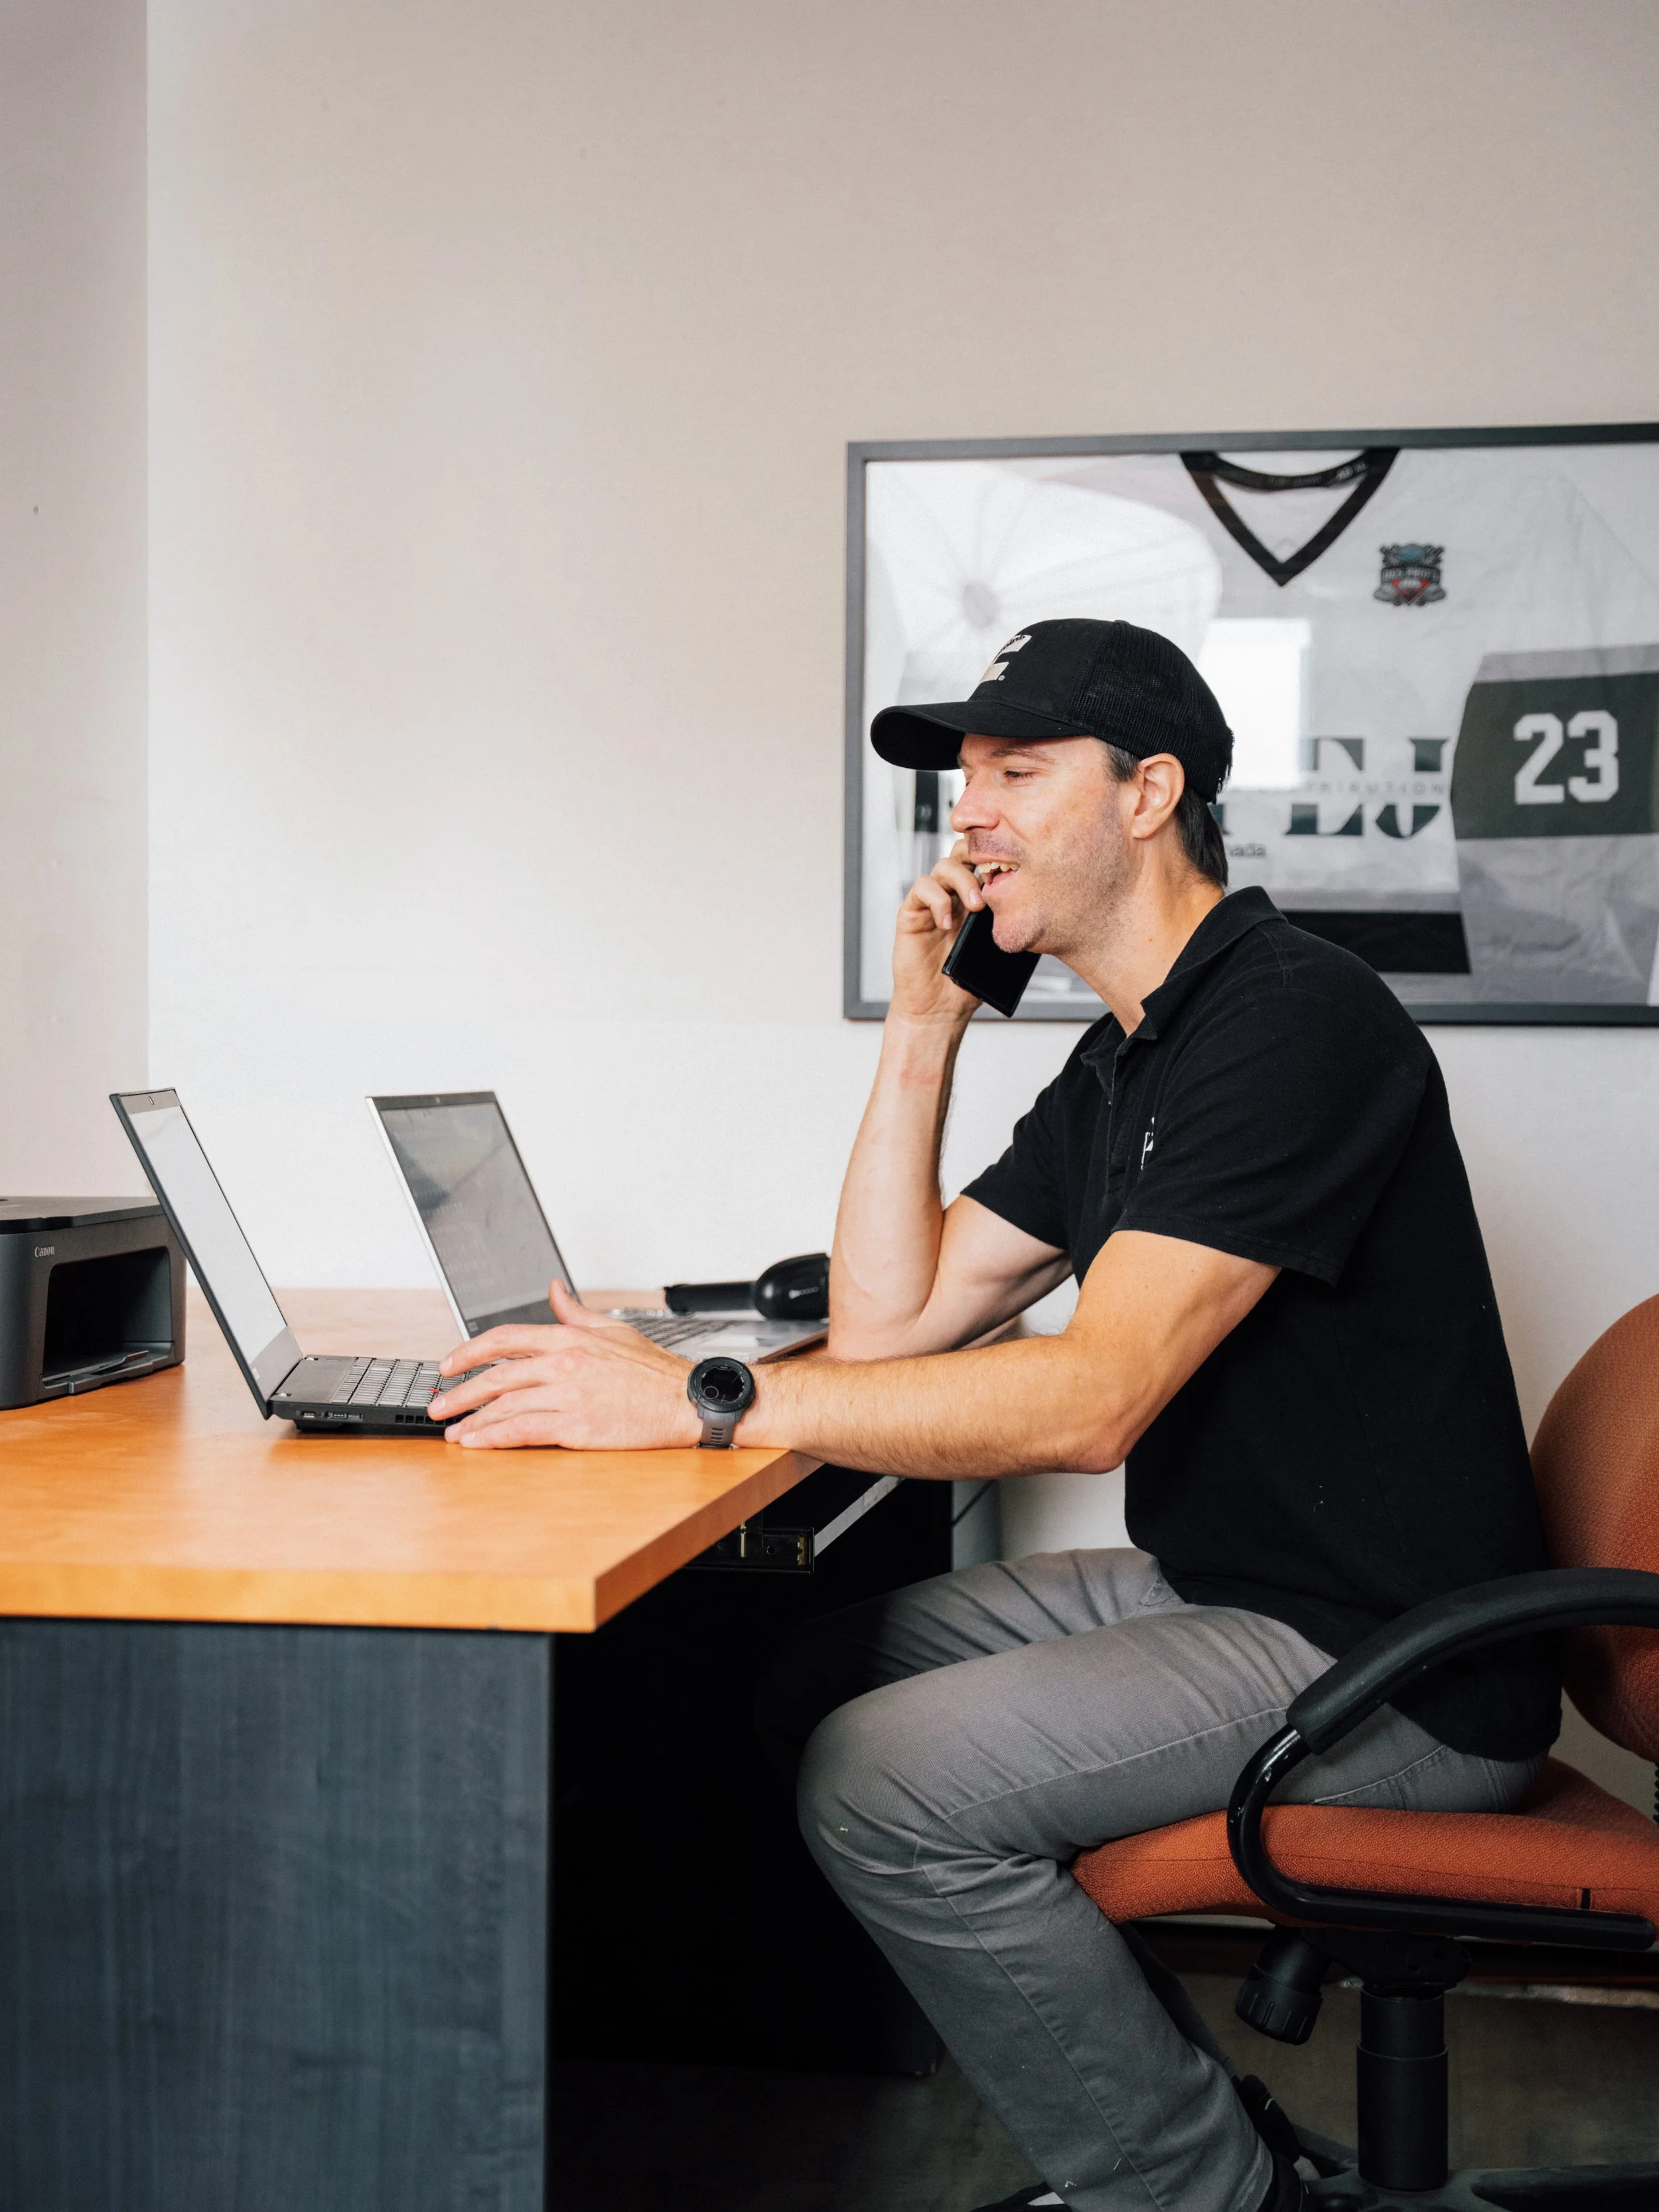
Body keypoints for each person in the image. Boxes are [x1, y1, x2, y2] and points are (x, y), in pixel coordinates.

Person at [431, 619, 1560, 2212]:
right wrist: (924, 1024)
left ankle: (1199, 2198)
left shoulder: (1293, 1018)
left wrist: (694, 1394)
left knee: (878, 1780)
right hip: (1240, 1584)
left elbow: (1093, 1400)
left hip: (1398, 1658)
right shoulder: (1126, 1056)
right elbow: (896, 1321)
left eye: (1016, 773)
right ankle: (1180, 2123)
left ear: (1150, 791)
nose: (968, 816)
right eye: (961, 781)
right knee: (809, 1668)